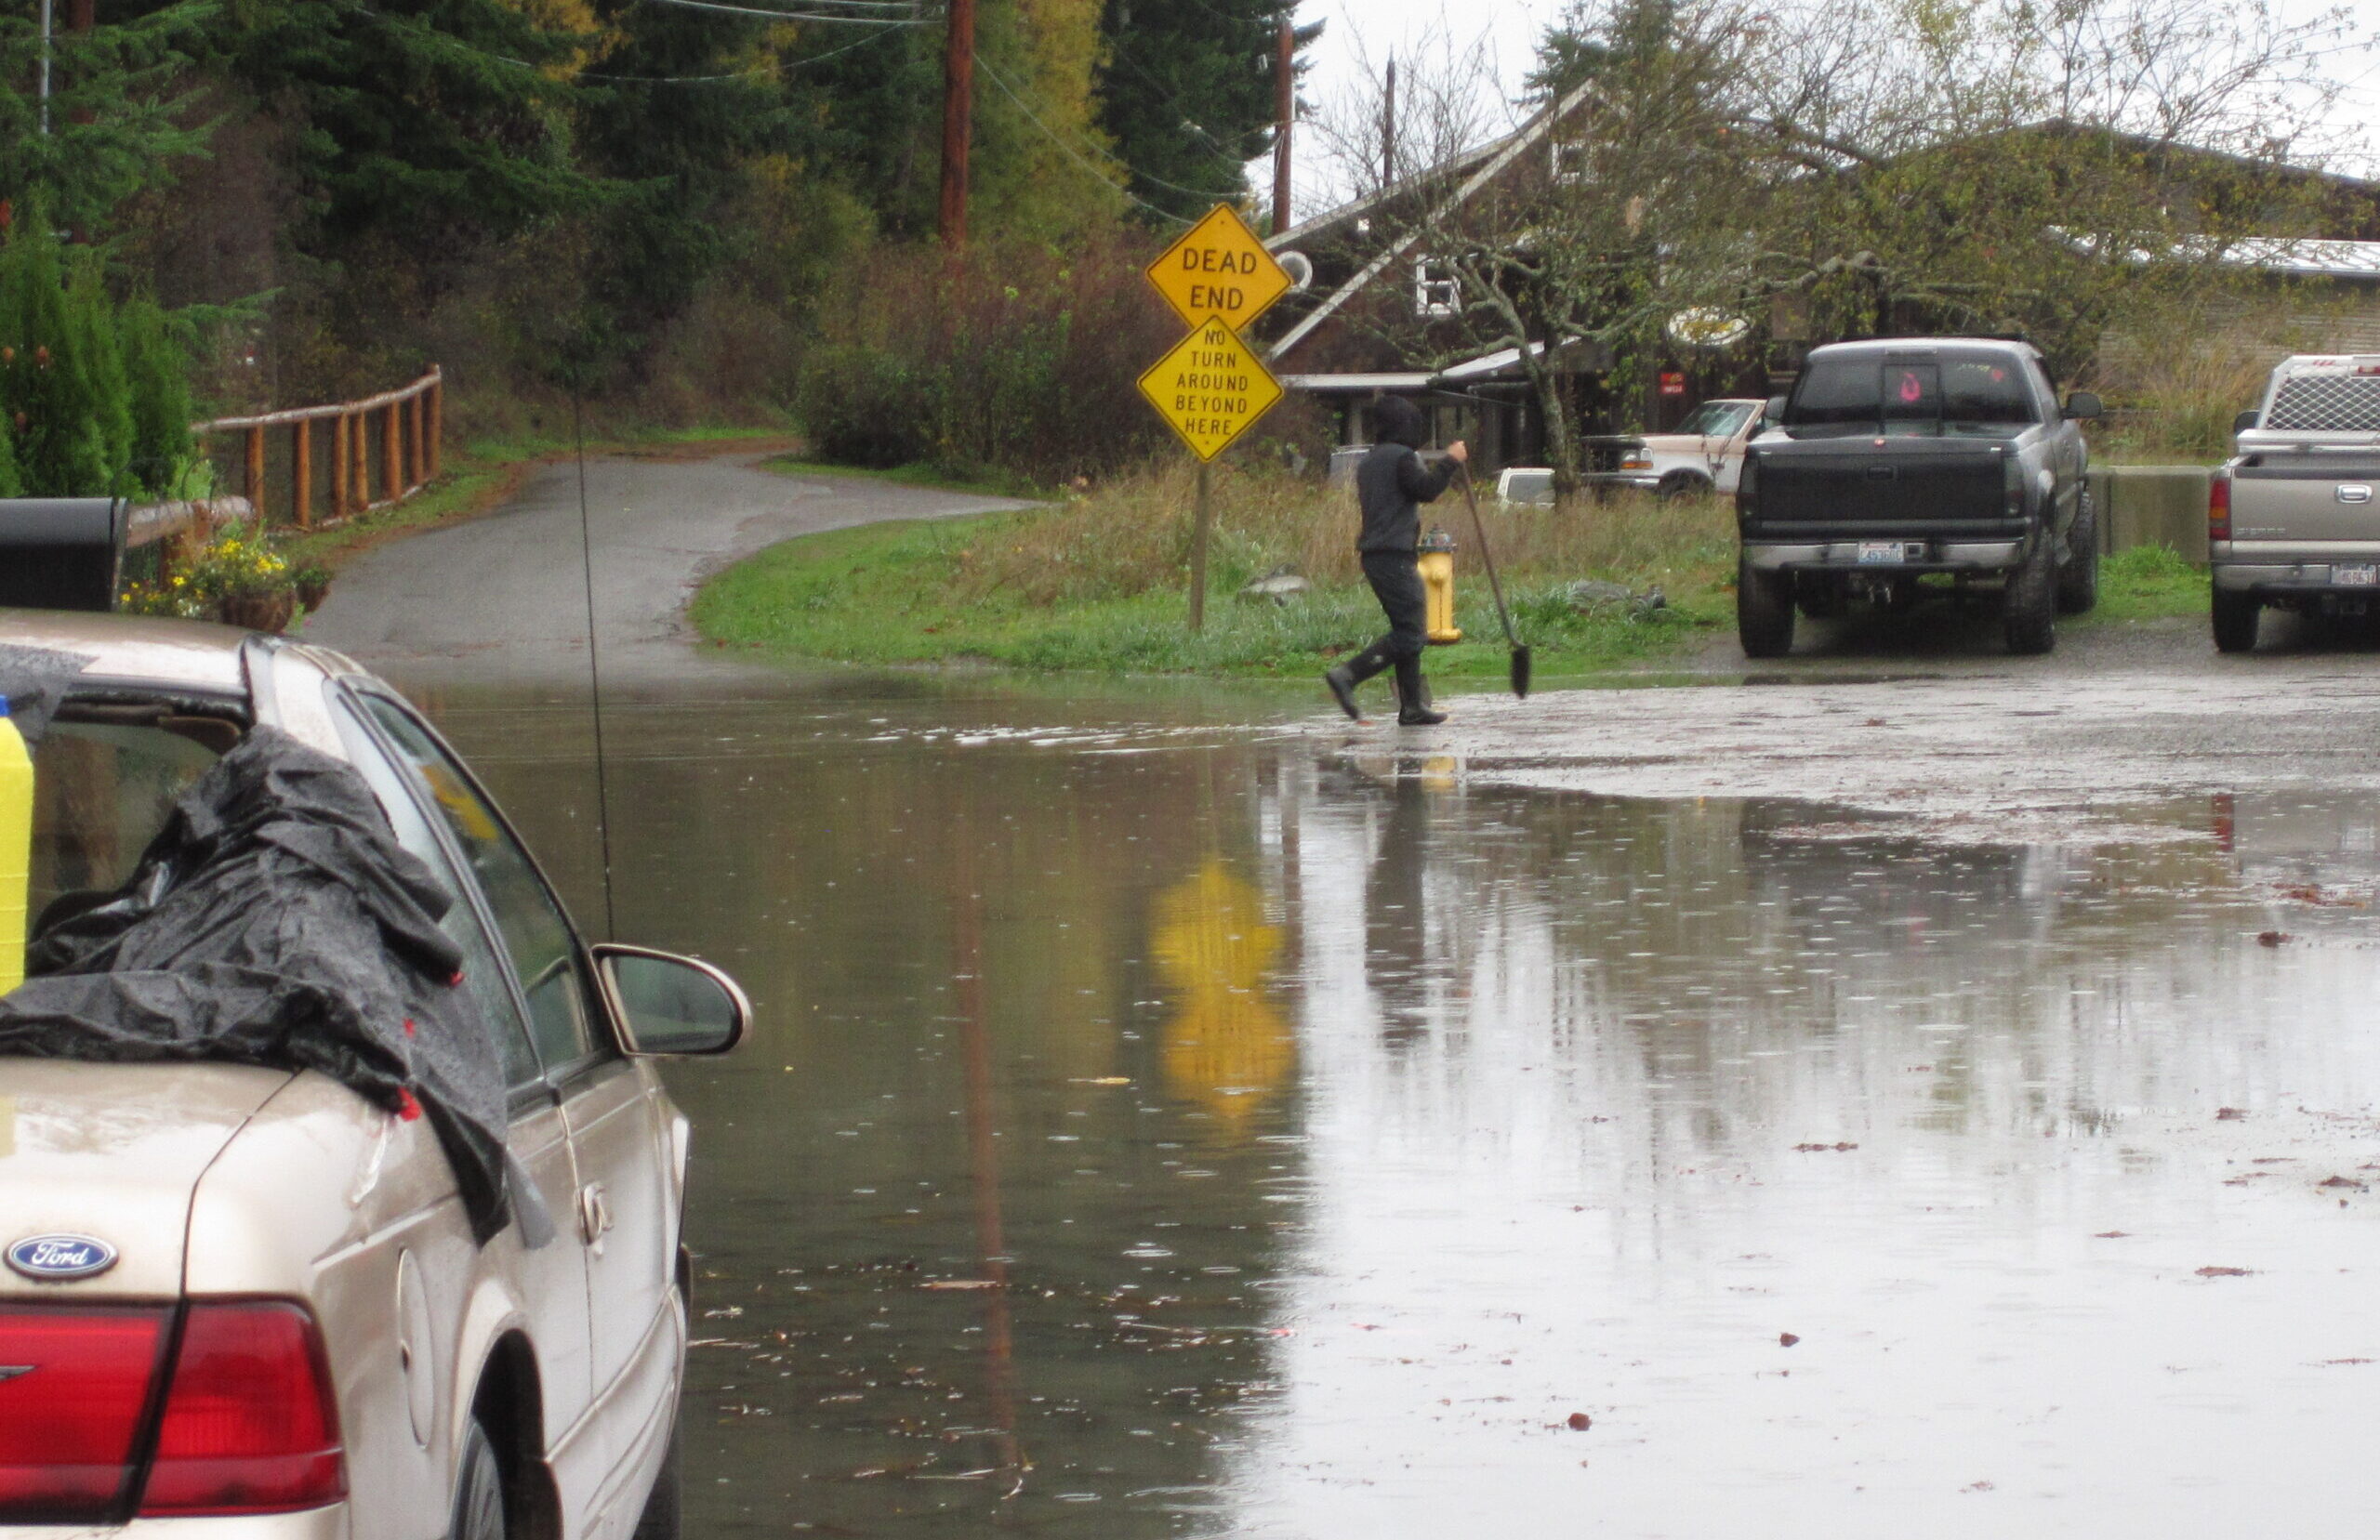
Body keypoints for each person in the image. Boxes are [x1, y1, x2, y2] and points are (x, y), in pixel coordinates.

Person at [1326, 396, 1467, 725]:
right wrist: (1450, 461)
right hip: (1393, 554)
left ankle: (1412, 706)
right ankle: (1348, 675)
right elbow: (1427, 489)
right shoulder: (1402, 457)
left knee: (1407, 629)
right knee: (1411, 634)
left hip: (1377, 555)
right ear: (1405, 425)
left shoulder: (1371, 461)